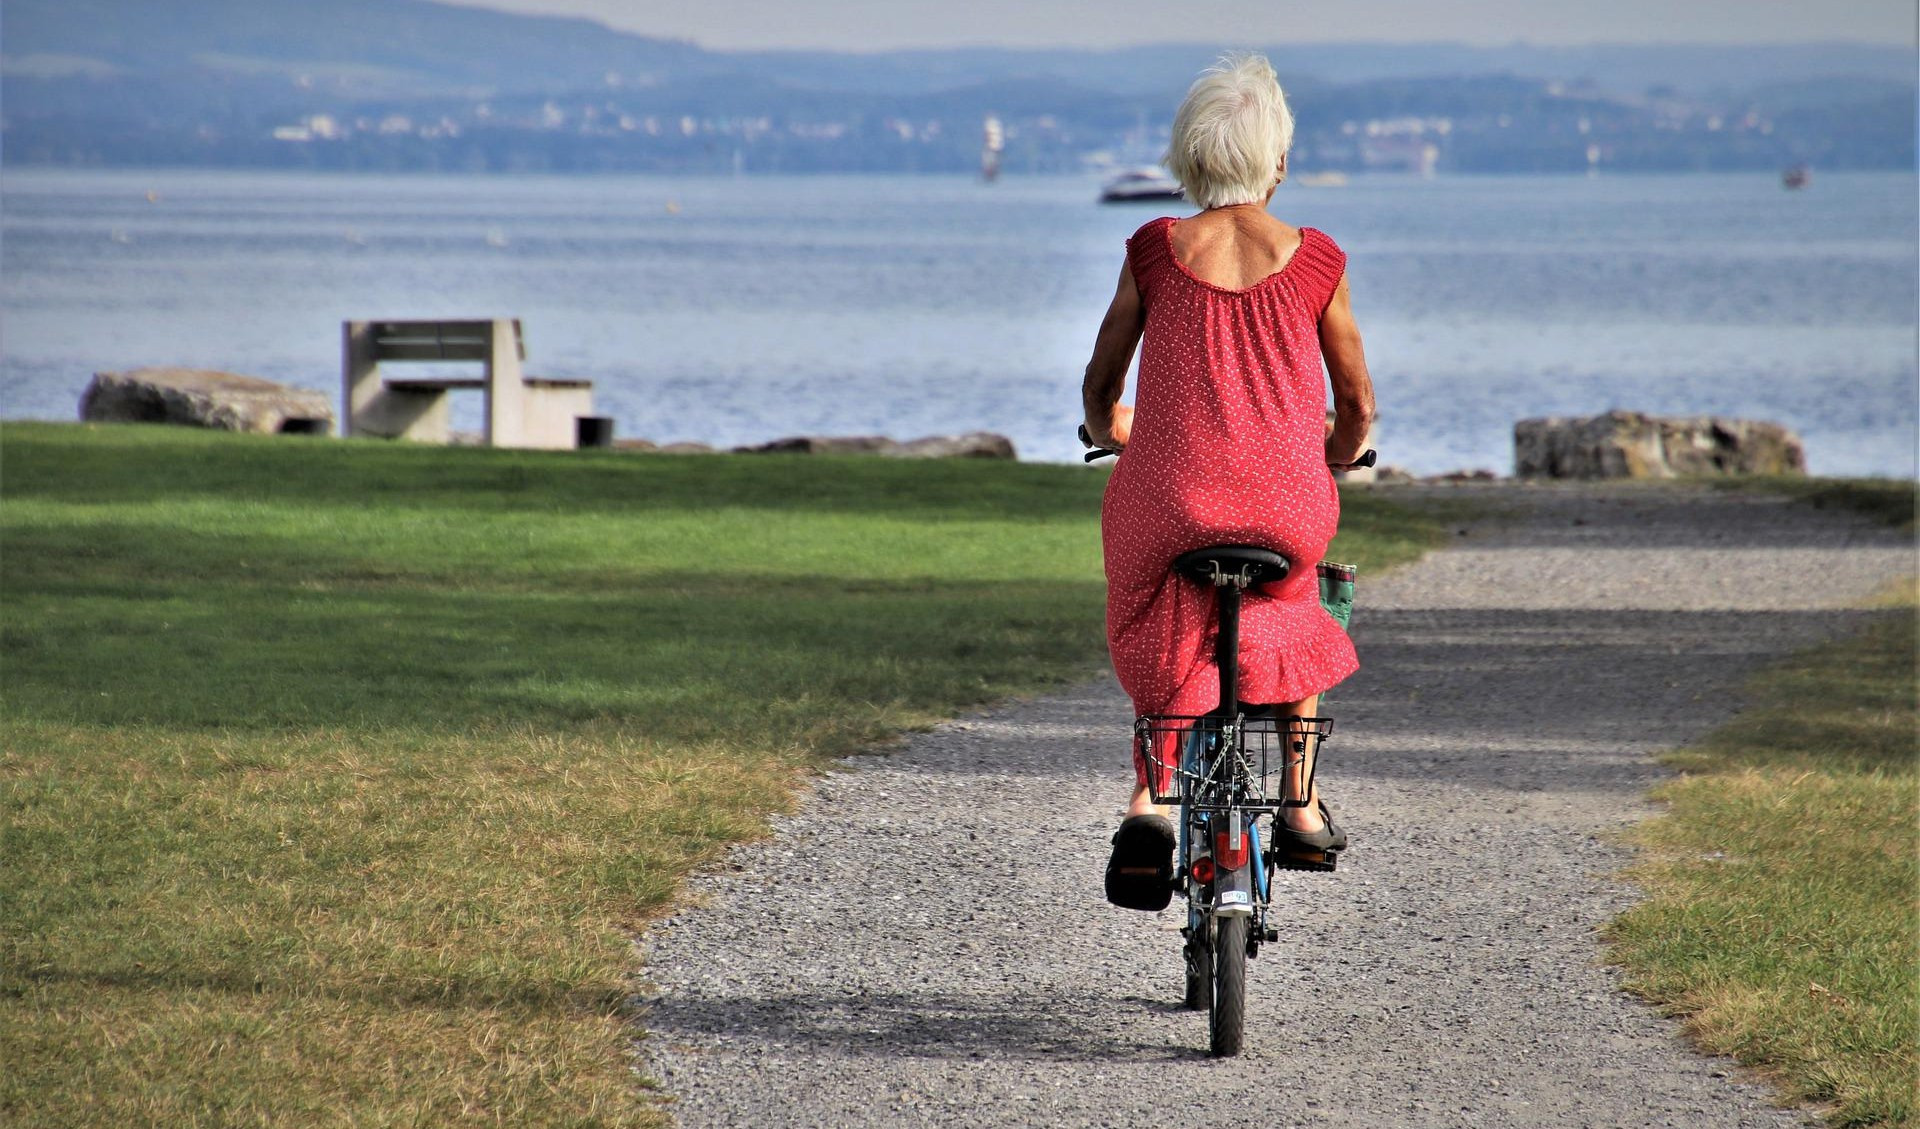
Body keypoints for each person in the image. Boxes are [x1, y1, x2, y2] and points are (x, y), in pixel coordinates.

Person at [1081, 53, 1376, 908]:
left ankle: (1151, 801)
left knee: (1160, 596)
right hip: (1284, 505)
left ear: (1187, 158)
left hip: (1169, 500)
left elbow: (1103, 386)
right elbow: (1355, 399)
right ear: (1276, 161)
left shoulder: (1154, 250)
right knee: (1293, 602)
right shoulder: (1316, 259)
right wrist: (1341, 450)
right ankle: (1299, 798)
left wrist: (1112, 433)